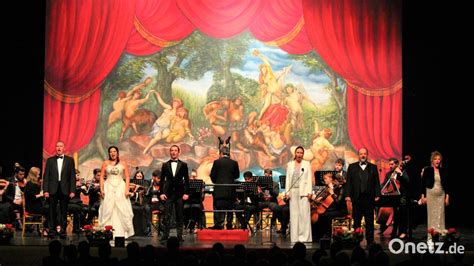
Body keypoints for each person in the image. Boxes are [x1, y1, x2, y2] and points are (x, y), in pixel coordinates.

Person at [344, 147, 381, 244]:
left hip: (369, 198)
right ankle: (356, 240)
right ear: (358, 155)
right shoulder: (352, 167)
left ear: (367, 155)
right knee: (357, 221)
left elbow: (377, 182)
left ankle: (370, 240)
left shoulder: (373, 167)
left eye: (364, 154)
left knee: (369, 221)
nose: (363, 155)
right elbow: (348, 183)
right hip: (357, 198)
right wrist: (347, 195)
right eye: (361, 154)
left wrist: (378, 194)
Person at [98, 146, 134, 238]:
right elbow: (102, 176)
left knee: (121, 208)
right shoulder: (105, 163)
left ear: (117, 153)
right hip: (108, 187)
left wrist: (127, 190)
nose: (112, 153)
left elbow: (127, 177)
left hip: (120, 187)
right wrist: (101, 189)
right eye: (111, 152)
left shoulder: (123, 163)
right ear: (109, 153)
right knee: (108, 208)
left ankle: (122, 233)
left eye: (114, 151)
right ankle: (107, 231)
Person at [43, 141, 76, 239]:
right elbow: (46, 177)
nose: (59, 148)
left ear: (64, 148)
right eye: (57, 146)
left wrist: (72, 190)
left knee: (63, 211)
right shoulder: (50, 160)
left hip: (65, 189)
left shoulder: (70, 160)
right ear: (55, 148)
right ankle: (52, 231)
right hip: (52, 189)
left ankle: (62, 231)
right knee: (52, 211)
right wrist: (45, 190)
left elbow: (72, 177)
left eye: (61, 146)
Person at [159, 145, 190, 241]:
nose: (173, 152)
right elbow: (162, 180)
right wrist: (161, 193)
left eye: (175, 150)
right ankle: (165, 235)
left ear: (178, 152)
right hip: (168, 194)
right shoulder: (165, 164)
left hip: (180, 194)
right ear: (170, 152)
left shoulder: (183, 165)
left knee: (180, 215)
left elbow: (187, 180)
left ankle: (179, 235)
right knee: (166, 215)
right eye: (172, 150)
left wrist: (186, 193)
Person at [209, 138, 240, 230]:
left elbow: (212, 175)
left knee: (218, 207)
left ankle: (219, 224)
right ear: (229, 154)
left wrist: (216, 182)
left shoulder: (217, 162)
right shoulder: (234, 163)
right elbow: (237, 175)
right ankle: (229, 225)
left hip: (219, 189)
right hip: (231, 189)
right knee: (230, 207)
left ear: (221, 153)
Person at [285, 146, 312, 242]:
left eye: (301, 153)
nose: (299, 154)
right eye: (298, 152)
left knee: (304, 215)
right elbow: (288, 179)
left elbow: (309, 178)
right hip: (293, 192)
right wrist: (287, 192)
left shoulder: (307, 164)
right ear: (295, 154)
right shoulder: (290, 164)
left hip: (304, 192)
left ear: (303, 154)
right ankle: (295, 238)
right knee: (294, 215)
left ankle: (305, 238)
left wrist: (309, 192)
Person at [420, 151, 448, 243]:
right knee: (432, 216)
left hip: (441, 194)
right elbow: (422, 184)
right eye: (435, 159)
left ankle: (441, 237)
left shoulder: (443, 170)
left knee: (440, 216)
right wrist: (423, 196)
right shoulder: (427, 170)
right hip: (430, 194)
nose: (437, 161)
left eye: (439, 159)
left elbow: (447, 185)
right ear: (432, 160)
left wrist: (447, 197)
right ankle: (430, 237)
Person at [381, 158, 409, 239]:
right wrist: (381, 189)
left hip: (402, 196)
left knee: (402, 213)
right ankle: (394, 231)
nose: (390, 166)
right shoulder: (389, 174)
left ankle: (403, 232)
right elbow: (384, 184)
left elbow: (407, 181)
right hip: (393, 196)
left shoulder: (402, 172)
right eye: (389, 164)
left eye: (392, 164)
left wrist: (400, 173)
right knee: (395, 214)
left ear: (397, 164)